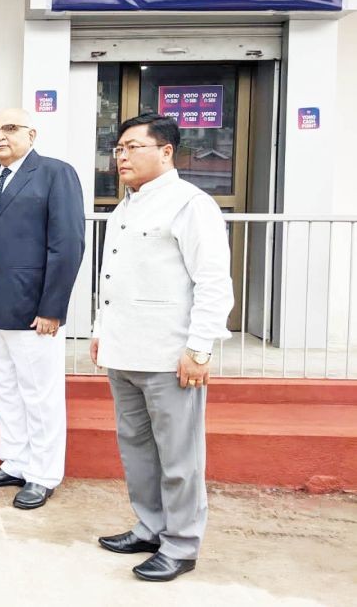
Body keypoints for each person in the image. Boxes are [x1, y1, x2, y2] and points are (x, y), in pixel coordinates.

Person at [90, 113, 233, 581]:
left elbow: (212, 281)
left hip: (169, 353)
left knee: (179, 456)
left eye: (133, 147)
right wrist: (99, 328)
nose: (122, 157)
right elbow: (112, 276)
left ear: (166, 151)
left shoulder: (191, 204)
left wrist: (200, 347)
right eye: (119, 149)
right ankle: (150, 526)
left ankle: (182, 543)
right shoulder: (126, 206)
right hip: (124, 348)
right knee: (136, 449)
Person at [0, 108, 85, 510]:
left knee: (39, 393)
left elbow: (67, 246)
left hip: (33, 308)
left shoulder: (54, 174)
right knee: (5, 389)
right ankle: (14, 462)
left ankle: (43, 474)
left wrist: (53, 307)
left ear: (32, 133)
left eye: (9, 128)